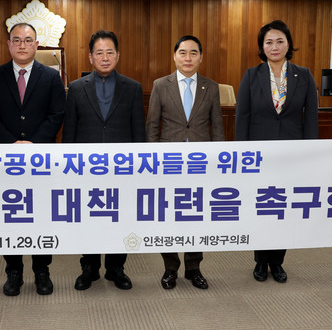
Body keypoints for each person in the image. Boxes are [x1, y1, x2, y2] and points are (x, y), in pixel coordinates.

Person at [0, 23, 65, 296]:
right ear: (8, 44)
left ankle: (42, 270)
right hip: (6, 160)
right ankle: (13, 271)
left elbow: (56, 114)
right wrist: (11, 143)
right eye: (16, 40)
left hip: (42, 159)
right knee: (10, 216)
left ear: (37, 45)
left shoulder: (51, 77)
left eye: (28, 40)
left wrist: (34, 144)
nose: (22, 45)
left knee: (41, 214)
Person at [235, 20, 318, 283]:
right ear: (262, 47)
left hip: (291, 155)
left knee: (284, 208)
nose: (274, 46)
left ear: (289, 44)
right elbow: (242, 117)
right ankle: (261, 261)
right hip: (260, 155)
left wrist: (309, 153)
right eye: (269, 42)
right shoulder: (252, 75)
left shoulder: (303, 75)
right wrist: (242, 156)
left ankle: (278, 262)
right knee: (263, 207)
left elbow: (311, 118)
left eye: (280, 41)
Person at [62, 30, 146, 291]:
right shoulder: (77, 88)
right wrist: (68, 168)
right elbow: (69, 132)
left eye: (110, 52)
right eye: (99, 53)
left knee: (120, 218)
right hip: (86, 169)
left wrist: (139, 168)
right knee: (88, 218)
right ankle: (89, 267)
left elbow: (138, 133)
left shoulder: (133, 88)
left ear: (118, 55)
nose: (105, 57)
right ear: (90, 57)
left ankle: (116, 267)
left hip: (122, 170)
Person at [146, 35, 225, 290]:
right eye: (182, 52)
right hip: (168, 163)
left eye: (193, 53)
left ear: (201, 57)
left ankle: (194, 268)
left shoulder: (211, 87)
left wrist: (219, 161)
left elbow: (218, 127)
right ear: (174, 56)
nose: (188, 58)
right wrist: (152, 161)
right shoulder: (161, 85)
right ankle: (170, 268)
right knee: (168, 216)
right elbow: (152, 126)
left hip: (201, 164)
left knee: (196, 216)